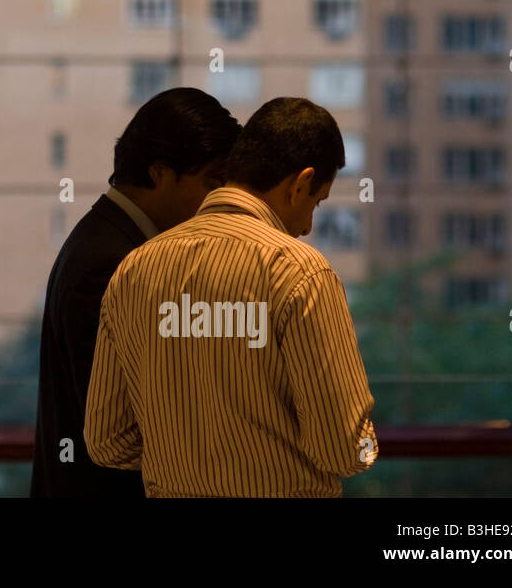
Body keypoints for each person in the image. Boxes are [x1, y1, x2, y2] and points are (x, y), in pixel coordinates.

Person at [84, 97, 378, 497]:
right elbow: (341, 449)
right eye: (317, 202)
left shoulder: (135, 270)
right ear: (302, 182)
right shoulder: (300, 272)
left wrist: (185, 456)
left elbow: (107, 439)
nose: (308, 226)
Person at [30, 87, 241, 497]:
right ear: (159, 172)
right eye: (212, 180)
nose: (219, 199)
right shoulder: (109, 261)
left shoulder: (110, 242)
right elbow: (119, 421)